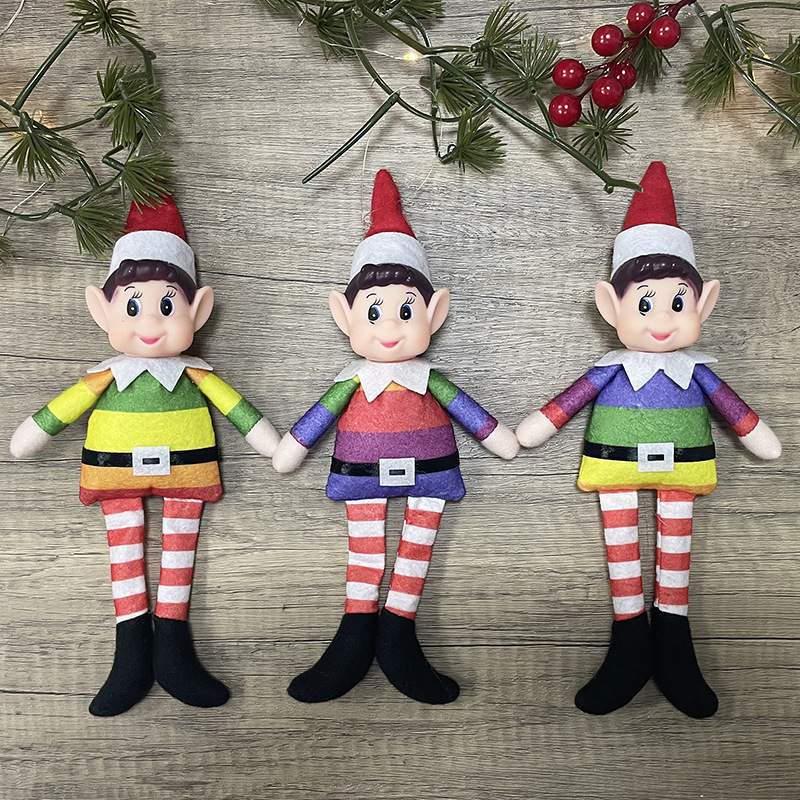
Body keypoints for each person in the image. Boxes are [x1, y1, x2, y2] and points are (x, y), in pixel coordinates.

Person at [516, 162, 781, 718]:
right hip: (615, 470)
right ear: (610, 307)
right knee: (621, 552)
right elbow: (568, 402)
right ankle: (630, 639)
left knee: (676, 551)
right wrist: (538, 426)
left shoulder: (696, 371)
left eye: (677, 302)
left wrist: (759, 435)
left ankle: (674, 636)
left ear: (704, 304)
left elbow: (736, 412)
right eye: (644, 302)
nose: (662, 319)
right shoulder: (610, 369)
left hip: (682, 470)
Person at [10, 197, 279, 716]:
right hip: (117, 476)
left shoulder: (195, 373)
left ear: (199, 311)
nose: (150, 322)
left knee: (180, 555)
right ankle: (131, 652)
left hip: (186, 473)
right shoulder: (105, 376)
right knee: (124, 557)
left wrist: (275, 446)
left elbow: (239, 411)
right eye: (133, 307)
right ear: (102, 310)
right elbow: (58, 413)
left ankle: (173, 649)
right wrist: (29, 436)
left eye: (168, 306)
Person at [273, 169, 519, 705]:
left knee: (416, 552)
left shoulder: (430, 379)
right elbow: (316, 419)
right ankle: (356, 630)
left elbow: (471, 413)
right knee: (364, 554)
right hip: (362, 477)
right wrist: (290, 448)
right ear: (345, 317)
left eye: (406, 311)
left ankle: (399, 629)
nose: (390, 327)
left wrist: (499, 436)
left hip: (431, 475)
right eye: (374, 312)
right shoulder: (351, 381)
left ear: (434, 313)